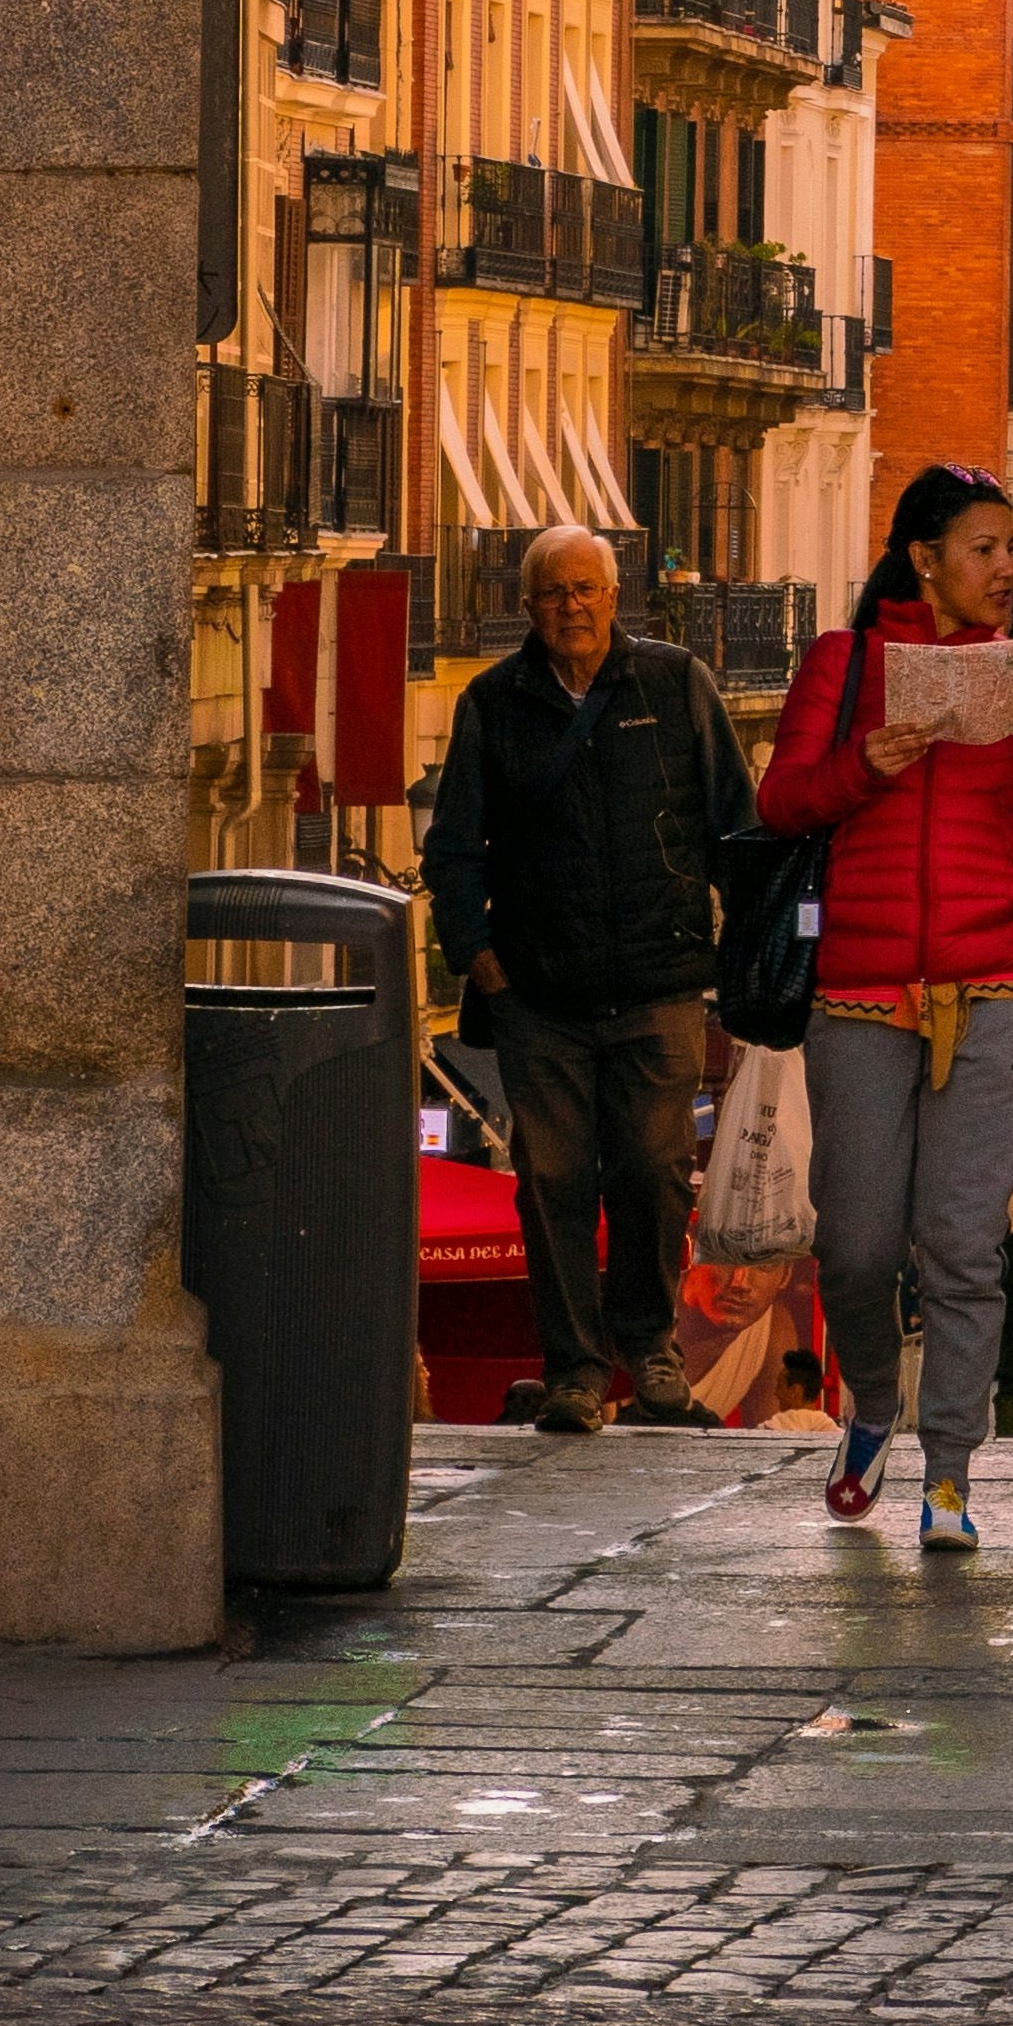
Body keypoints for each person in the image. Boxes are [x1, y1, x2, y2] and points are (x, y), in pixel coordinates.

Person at [756, 463, 1013, 1557]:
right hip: (860, 994)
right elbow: (781, 801)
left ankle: (948, 1472)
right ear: (924, 556)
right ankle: (871, 1403)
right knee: (857, 1246)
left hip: (995, 985)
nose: (1009, 569)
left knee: (964, 1245)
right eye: (986, 548)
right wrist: (866, 762)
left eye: (1011, 549)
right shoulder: (843, 663)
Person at [419, 521, 760, 1436]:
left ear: (617, 597)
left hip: (661, 985)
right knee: (553, 1184)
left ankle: (649, 1352)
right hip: (538, 997)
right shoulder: (494, 703)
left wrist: (748, 953)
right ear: (527, 607)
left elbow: (737, 825)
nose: (570, 606)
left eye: (586, 590)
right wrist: (479, 958)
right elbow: (452, 848)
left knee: (654, 1173)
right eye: (552, 593)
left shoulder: (676, 682)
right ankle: (572, 1370)